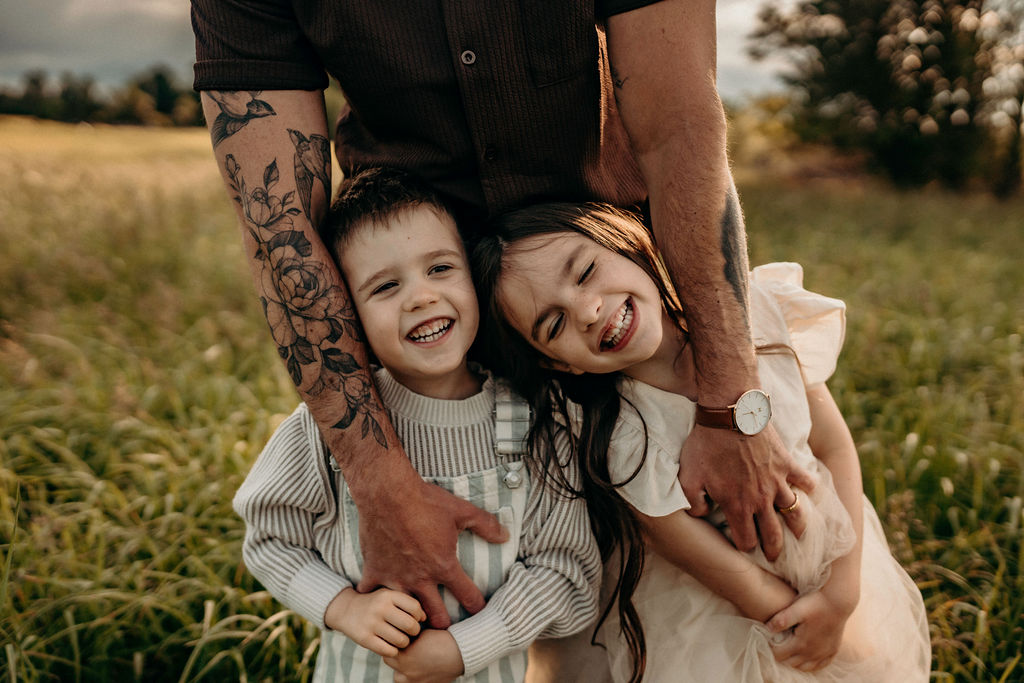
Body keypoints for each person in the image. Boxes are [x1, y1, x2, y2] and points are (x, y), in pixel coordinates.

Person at [192, 0, 814, 629]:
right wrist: (380, 482)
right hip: (438, 349)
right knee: (505, 604)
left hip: (628, 301)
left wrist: (730, 401)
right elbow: (280, 226)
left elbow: (678, 122)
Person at [471, 202, 931, 682]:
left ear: (626, 242)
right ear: (560, 365)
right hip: (735, 610)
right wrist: (797, 619)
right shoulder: (619, 433)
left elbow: (834, 445)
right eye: (555, 324)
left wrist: (842, 592)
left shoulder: (752, 314)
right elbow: (694, 554)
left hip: (836, 561)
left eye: (586, 272)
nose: (588, 311)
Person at [233, 169, 601, 682]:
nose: (421, 297)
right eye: (385, 286)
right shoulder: (330, 427)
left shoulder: (537, 421)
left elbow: (567, 572)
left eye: (440, 268)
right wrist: (343, 608)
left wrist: (468, 646)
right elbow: (269, 538)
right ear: (348, 315)